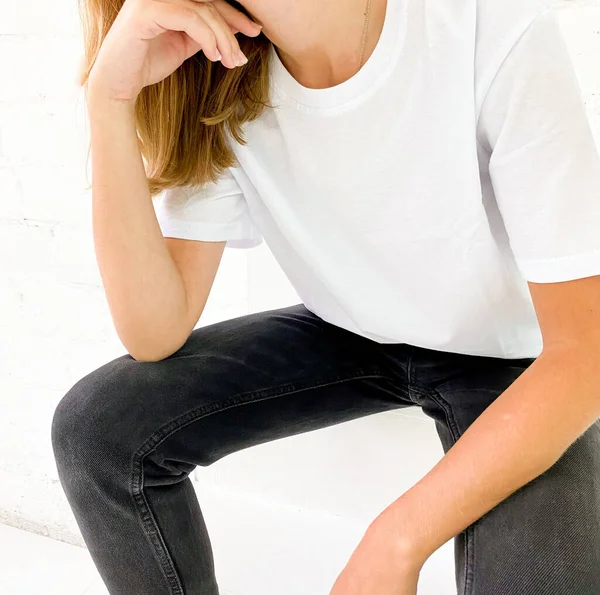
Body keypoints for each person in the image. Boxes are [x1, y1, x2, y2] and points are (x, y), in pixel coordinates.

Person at [51, 0, 600, 593]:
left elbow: (585, 353)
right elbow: (154, 332)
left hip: (518, 359)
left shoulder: (487, 26)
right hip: (349, 331)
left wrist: (396, 540)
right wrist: (108, 101)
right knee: (98, 431)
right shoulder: (222, 80)